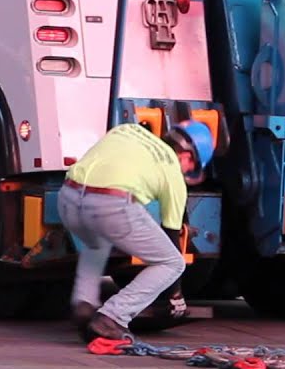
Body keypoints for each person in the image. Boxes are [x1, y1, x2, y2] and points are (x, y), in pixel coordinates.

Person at [58, 120, 215, 342]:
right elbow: (171, 237)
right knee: (172, 263)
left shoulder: (128, 130)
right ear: (188, 156)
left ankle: (84, 304)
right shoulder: (172, 172)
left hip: (68, 198)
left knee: (96, 243)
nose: (188, 172)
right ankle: (112, 316)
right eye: (193, 167)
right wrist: (175, 296)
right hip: (110, 205)